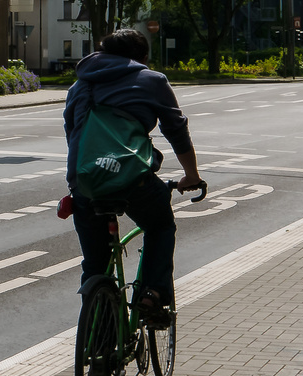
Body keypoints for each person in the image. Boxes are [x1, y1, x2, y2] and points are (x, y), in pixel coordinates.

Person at [62, 29, 204, 325]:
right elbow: (176, 129)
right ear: (142, 58)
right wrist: (191, 175)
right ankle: (152, 295)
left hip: (85, 182)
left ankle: (100, 350)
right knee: (160, 226)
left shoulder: (80, 85)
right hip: (132, 178)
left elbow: (73, 133)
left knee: (96, 266)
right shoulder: (152, 81)